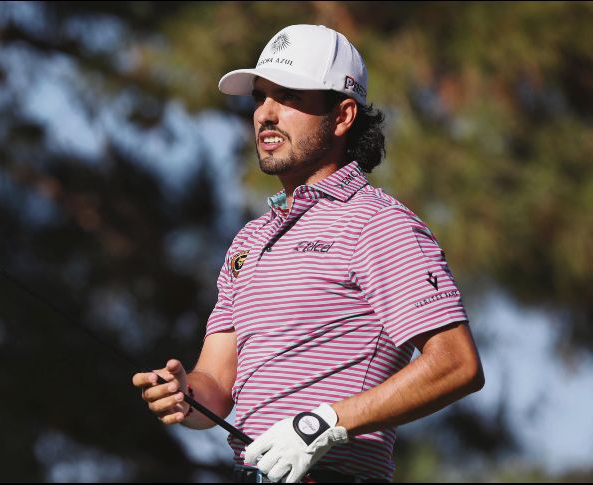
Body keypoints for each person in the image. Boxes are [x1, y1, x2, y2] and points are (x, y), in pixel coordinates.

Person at [132, 24, 484, 483]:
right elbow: (217, 386)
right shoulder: (248, 242)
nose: (266, 114)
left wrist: (326, 425)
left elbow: (457, 365)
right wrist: (184, 394)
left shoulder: (378, 223)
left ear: (342, 116)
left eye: (289, 97)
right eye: (260, 97)